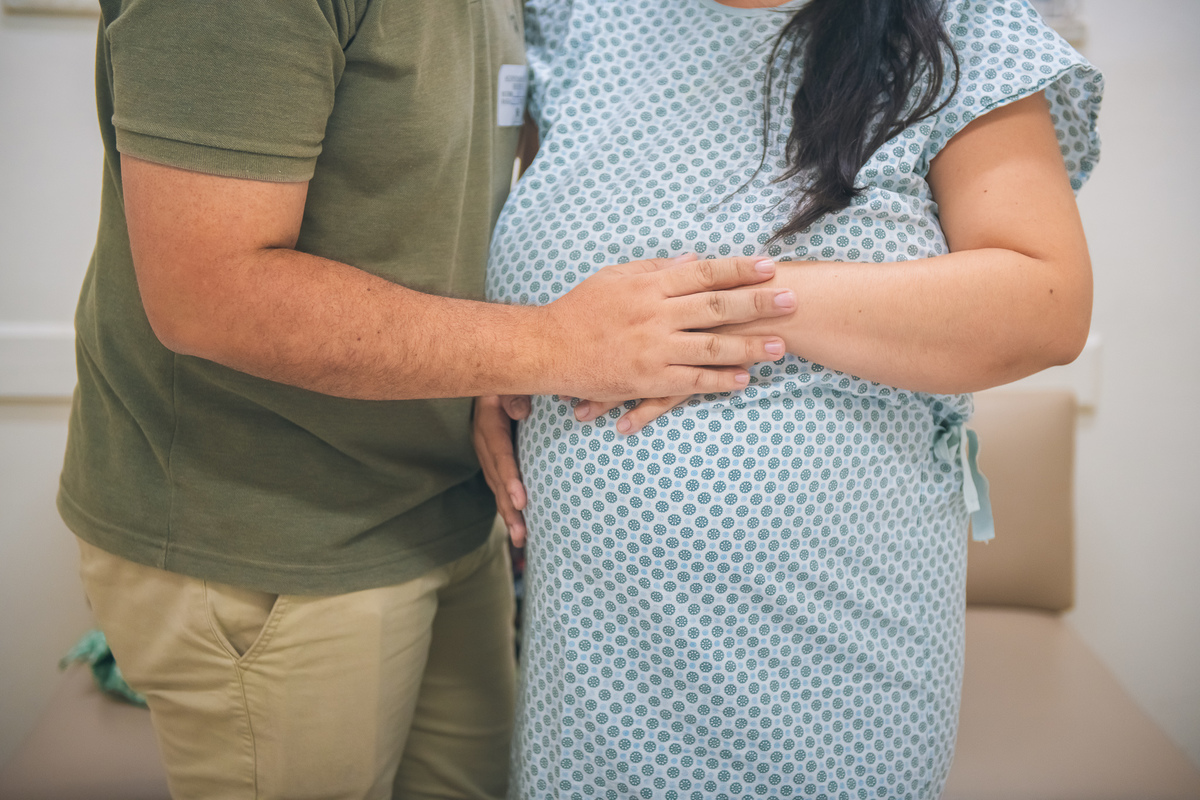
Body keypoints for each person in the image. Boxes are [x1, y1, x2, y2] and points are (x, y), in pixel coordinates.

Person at [57, 2, 798, 798]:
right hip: (273, 540)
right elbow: (208, 292)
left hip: (442, 512)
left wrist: (498, 366)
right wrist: (552, 345)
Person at [474, 0, 1102, 797]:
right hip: (596, 670)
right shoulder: (574, 17)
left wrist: (714, 314)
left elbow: (1044, 301)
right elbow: (529, 254)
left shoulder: (959, 21)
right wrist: (510, 352)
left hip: (832, 655)